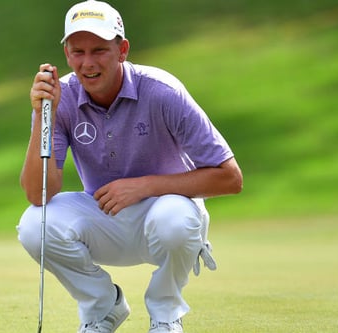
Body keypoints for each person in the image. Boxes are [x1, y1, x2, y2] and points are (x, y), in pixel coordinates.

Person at [16, 1, 243, 332]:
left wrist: (145, 186)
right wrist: (41, 115)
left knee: (174, 219)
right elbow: (38, 194)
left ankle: (165, 317)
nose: (88, 63)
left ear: (122, 50)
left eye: (99, 50)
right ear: (66, 54)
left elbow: (230, 178)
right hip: (104, 218)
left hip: (167, 217)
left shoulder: (162, 91)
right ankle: (103, 309)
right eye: (78, 51)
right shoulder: (58, 98)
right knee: (35, 224)